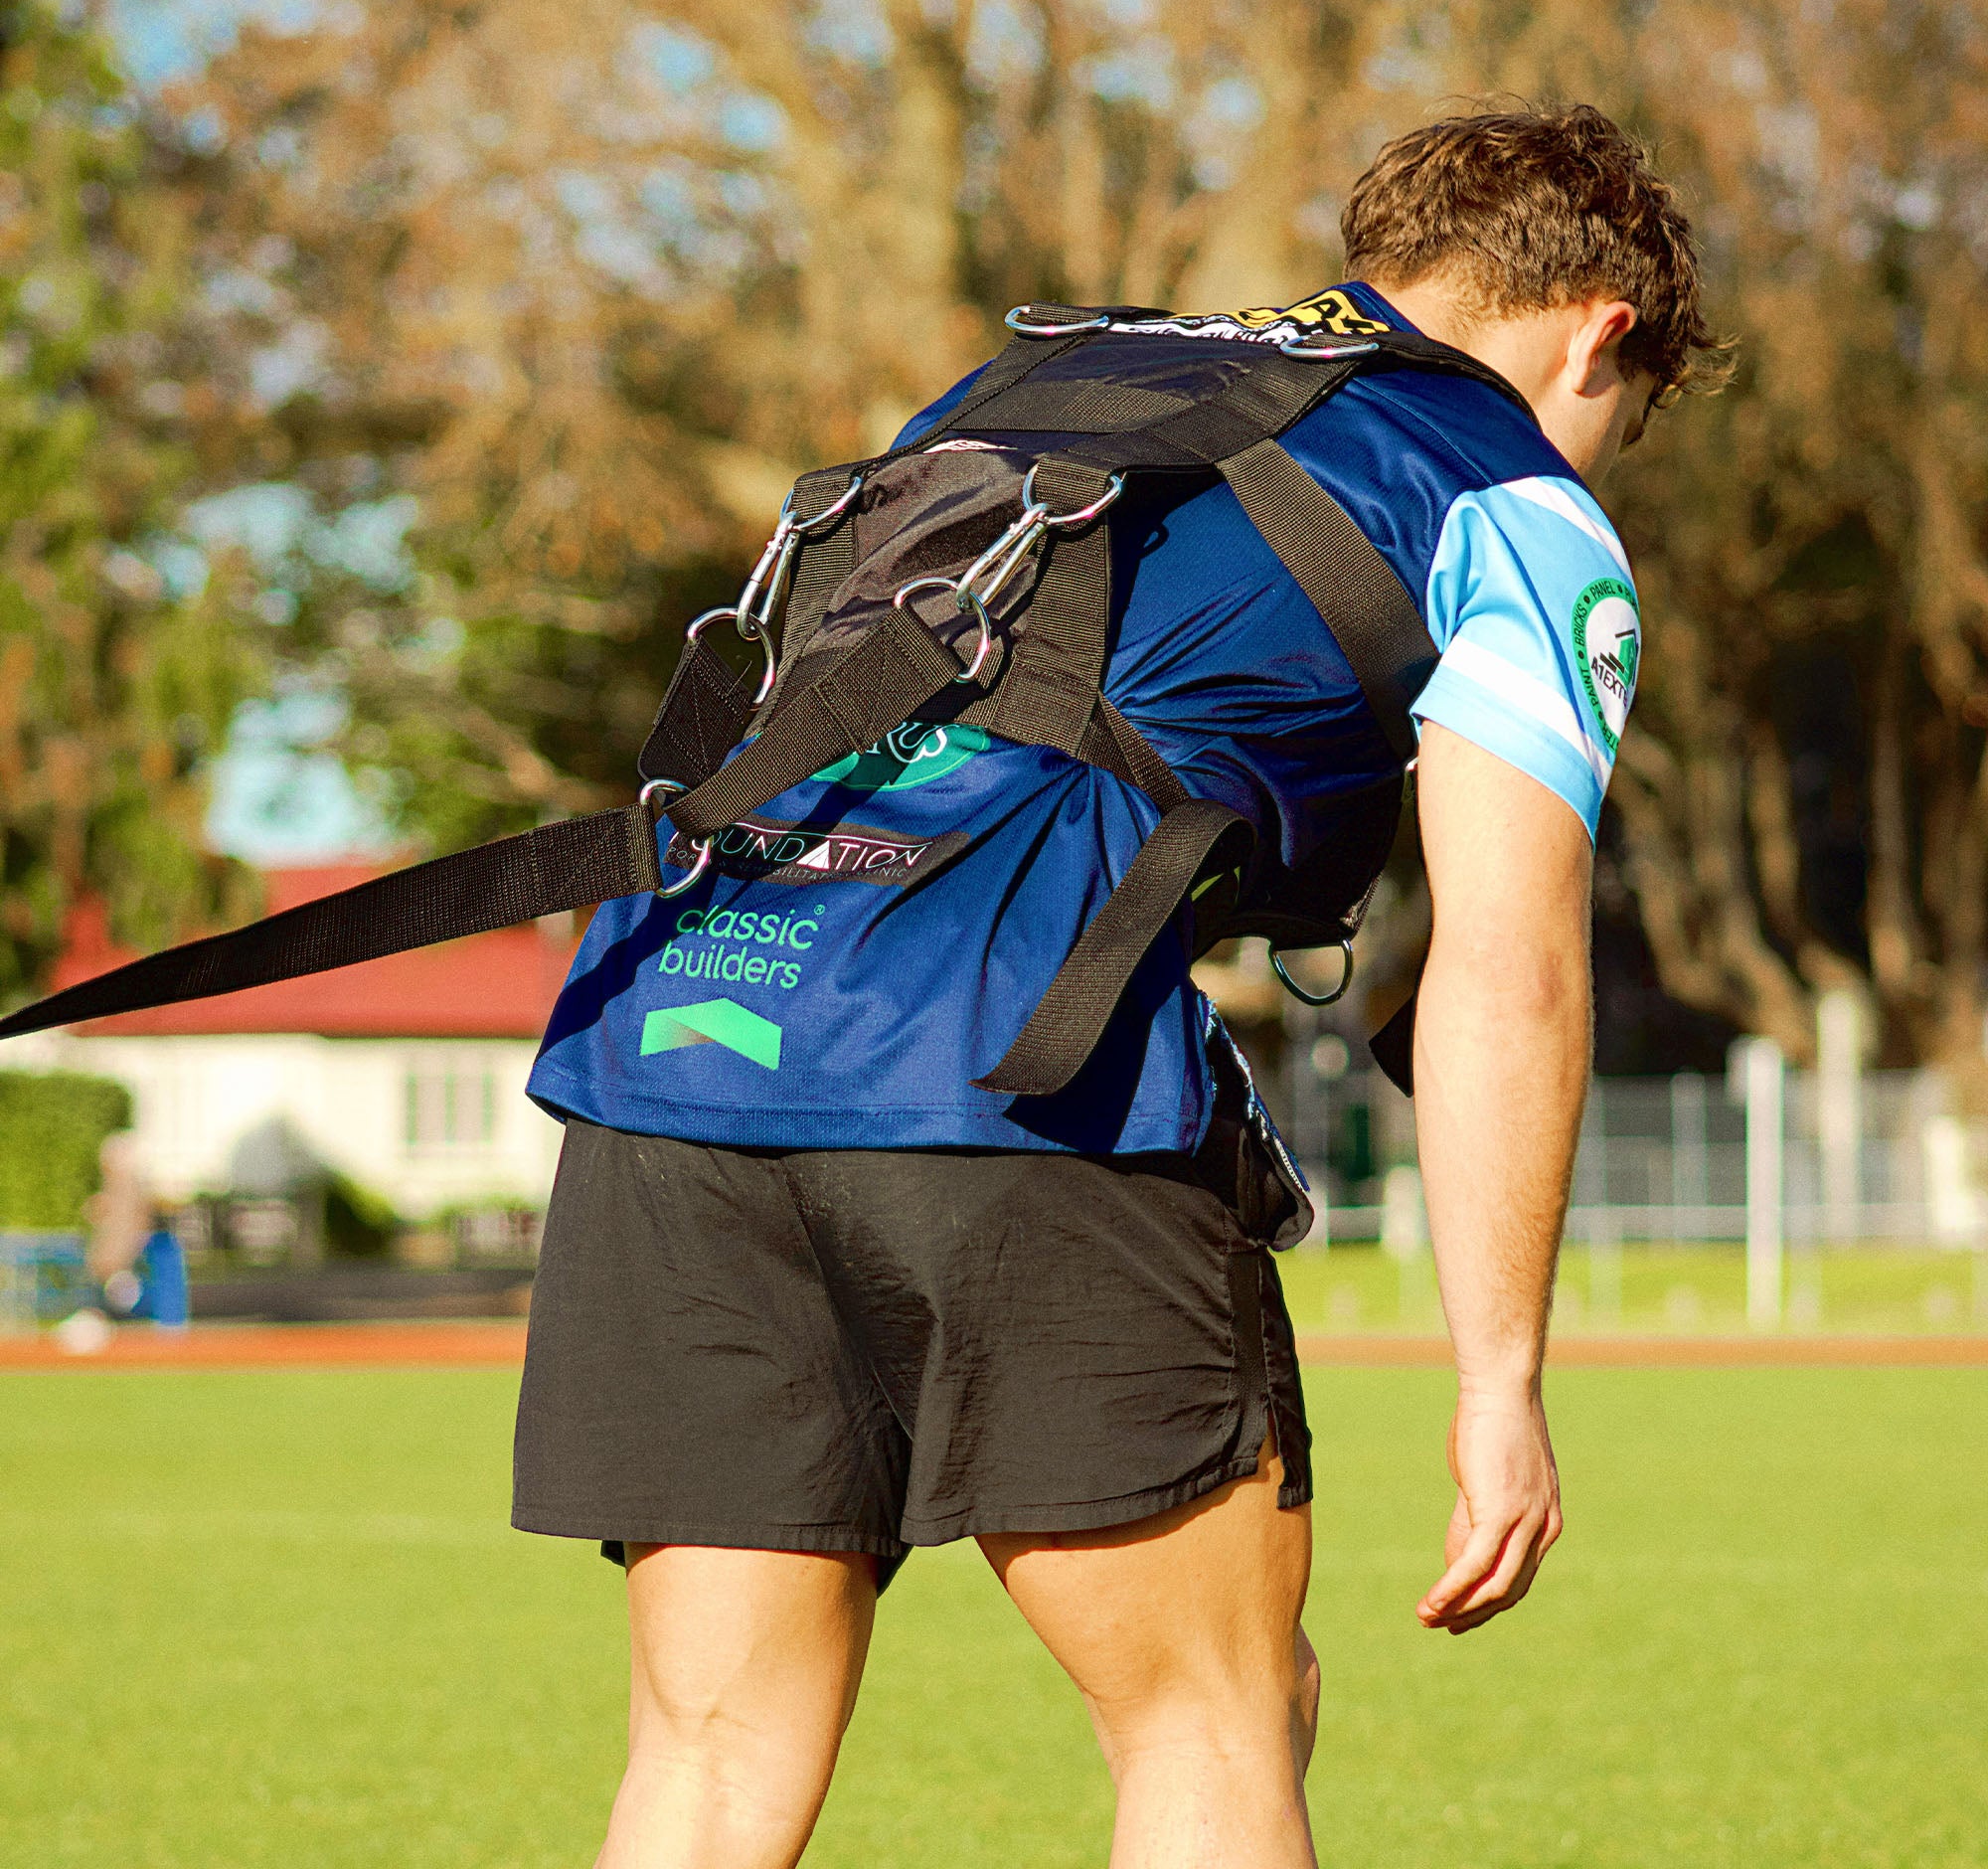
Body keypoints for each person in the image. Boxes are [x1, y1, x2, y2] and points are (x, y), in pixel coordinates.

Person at [513, 102, 1729, 1868]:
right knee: (1219, 1721)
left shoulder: (1037, 392)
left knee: (705, 1763)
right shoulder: (1520, 502)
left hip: (683, 1048)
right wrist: (1502, 1380)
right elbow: (1510, 970)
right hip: (1015, 1072)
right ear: (1600, 333)